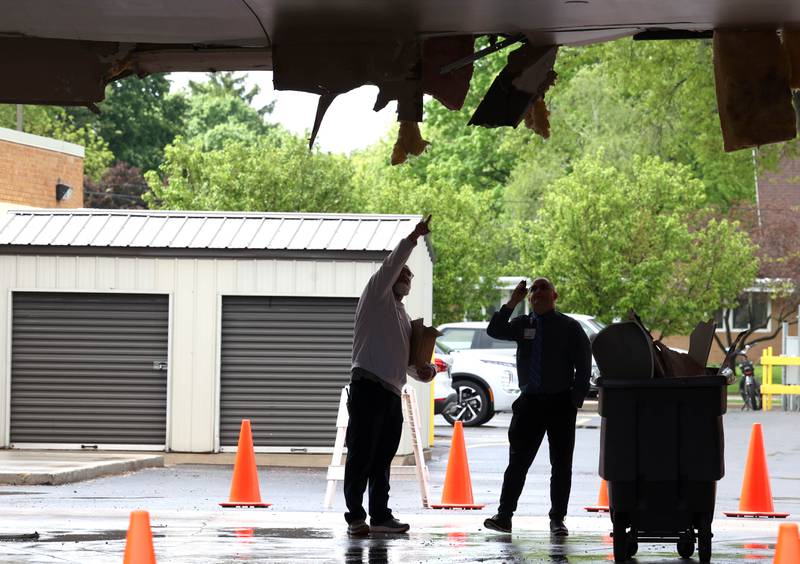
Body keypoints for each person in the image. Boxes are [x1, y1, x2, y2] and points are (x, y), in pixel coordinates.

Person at [344, 215, 436, 536]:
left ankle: (380, 516)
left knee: (382, 456)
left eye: (410, 275)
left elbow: (413, 364)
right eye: (403, 271)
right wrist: (414, 237)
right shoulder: (376, 294)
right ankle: (356, 516)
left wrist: (427, 371)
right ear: (391, 274)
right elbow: (392, 263)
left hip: (391, 392)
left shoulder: (404, 316)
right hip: (367, 385)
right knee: (361, 452)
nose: (407, 275)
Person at [483, 277, 591, 536]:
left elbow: (584, 365)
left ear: (555, 296)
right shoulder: (523, 325)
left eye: (544, 288)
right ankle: (504, 516)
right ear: (529, 298)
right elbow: (495, 330)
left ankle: (557, 520)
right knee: (518, 462)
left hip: (560, 403)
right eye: (534, 289)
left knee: (561, 464)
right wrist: (512, 302)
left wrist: (574, 400)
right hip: (530, 404)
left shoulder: (569, 327)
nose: (538, 292)